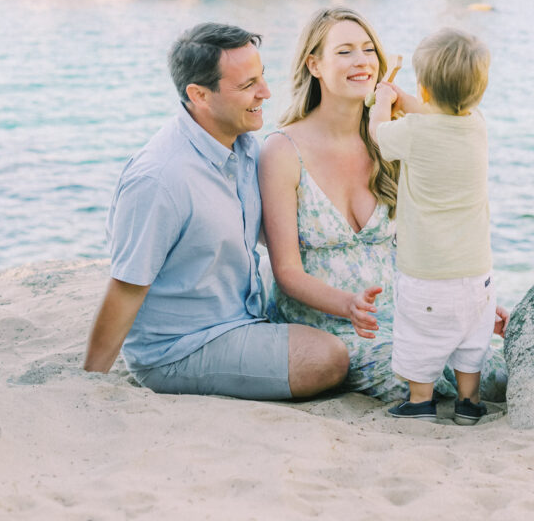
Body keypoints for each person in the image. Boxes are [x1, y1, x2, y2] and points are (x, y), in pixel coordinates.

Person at [83, 22, 349, 400]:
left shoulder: (246, 147)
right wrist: (88, 385)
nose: (265, 93)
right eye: (247, 86)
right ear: (199, 95)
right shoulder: (159, 179)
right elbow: (126, 288)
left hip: (243, 318)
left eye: (262, 78)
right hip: (180, 349)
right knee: (328, 357)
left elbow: (292, 225)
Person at [259, 6, 507, 402]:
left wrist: (468, 299)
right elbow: (286, 271)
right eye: (344, 52)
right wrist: (349, 306)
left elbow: (457, 132)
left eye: (369, 49)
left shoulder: (396, 137)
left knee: (495, 376)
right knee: (430, 385)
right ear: (314, 65)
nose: (362, 61)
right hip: (336, 328)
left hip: (415, 311)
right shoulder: (283, 150)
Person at [369, 27, 496, 424]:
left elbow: (378, 134)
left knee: (419, 336)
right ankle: (468, 404)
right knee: (471, 342)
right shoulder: (477, 125)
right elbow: (436, 114)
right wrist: (407, 98)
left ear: (423, 91)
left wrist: (381, 101)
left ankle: (420, 402)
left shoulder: (412, 132)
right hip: (477, 271)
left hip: (427, 270)